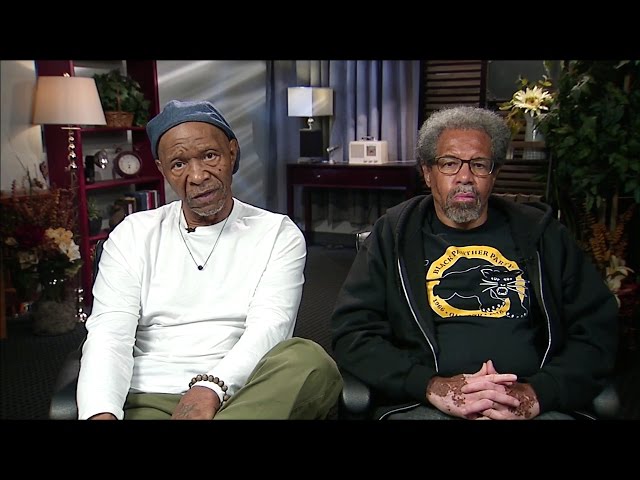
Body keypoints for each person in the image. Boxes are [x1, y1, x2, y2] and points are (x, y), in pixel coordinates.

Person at [331, 106, 618, 420]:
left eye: (479, 165)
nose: (465, 177)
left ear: (494, 174)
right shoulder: (393, 235)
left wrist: (538, 393)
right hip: (427, 404)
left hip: (531, 403)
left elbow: (597, 330)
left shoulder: (543, 235)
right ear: (427, 173)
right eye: (449, 163)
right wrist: (430, 386)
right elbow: (352, 333)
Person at [77, 99, 342, 420]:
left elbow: (270, 327)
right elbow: (110, 334)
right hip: (152, 394)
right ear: (162, 170)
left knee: (308, 361)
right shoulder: (133, 233)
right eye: (178, 164)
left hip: (245, 388)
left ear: (232, 152)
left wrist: (211, 387)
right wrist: (101, 413)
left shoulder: (277, 233)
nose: (197, 175)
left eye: (209, 156)